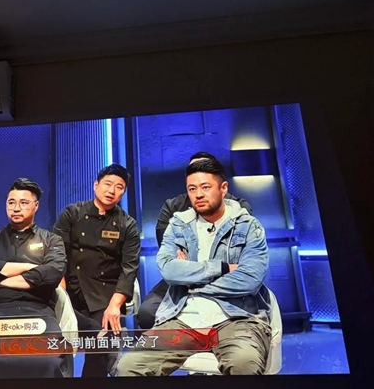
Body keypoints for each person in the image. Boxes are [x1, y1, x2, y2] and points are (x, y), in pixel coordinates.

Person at [116, 158, 271, 376]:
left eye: (205, 187)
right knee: (129, 366)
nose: (198, 194)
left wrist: (192, 282)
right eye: (192, 189)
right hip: (184, 318)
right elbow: (169, 270)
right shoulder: (178, 224)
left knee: (244, 364)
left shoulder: (248, 226)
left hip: (236, 318)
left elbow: (250, 278)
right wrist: (221, 268)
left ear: (223, 188)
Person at [136, 152, 253, 330]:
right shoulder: (172, 207)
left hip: (226, 276)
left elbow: (239, 257)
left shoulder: (239, 208)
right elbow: (170, 259)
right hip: (181, 280)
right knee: (147, 313)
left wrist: (195, 271)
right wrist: (186, 273)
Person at [0, 178, 67, 378]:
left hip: (39, 311)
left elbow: (52, 274)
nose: (16, 208)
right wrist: (33, 268)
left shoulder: (51, 240)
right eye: (11, 202)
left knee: (49, 359)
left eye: (23, 202)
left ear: (36, 206)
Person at [53, 164, 141, 377]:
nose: (112, 190)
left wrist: (115, 306)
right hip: (69, 289)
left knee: (104, 339)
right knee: (59, 338)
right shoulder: (72, 213)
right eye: (108, 184)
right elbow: (57, 254)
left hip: (104, 295)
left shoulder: (127, 225)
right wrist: (61, 295)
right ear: (96, 185)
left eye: (119, 187)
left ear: (123, 192)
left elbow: (129, 268)